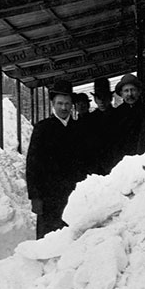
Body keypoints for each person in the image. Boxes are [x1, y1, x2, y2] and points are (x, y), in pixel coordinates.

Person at [25, 79, 87, 239]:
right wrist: (35, 197)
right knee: (49, 241)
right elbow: (32, 165)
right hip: (49, 197)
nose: (64, 107)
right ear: (53, 103)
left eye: (67, 103)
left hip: (74, 196)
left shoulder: (80, 129)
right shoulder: (42, 128)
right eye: (60, 103)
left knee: (73, 238)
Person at [110, 73, 145, 165]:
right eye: (126, 91)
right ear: (121, 94)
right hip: (123, 162)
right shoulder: (115, 115)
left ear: (139, 92)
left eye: (133, 90)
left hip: (144, 159)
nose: (130, 94)